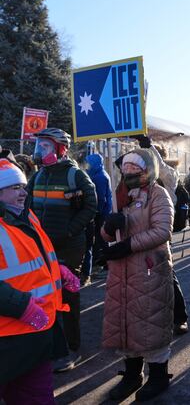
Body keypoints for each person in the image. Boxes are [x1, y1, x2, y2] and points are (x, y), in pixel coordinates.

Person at [0, 159, 79, 404]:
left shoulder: (26, 215)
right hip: (9, 338)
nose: (23, 192)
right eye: (15, 187)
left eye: (23, 186)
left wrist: (58, 270)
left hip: (36, 333)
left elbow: (35, 258)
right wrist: (21, 306)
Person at [100, 148, 175, 402]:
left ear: (148, 171)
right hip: (122, 271)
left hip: (148, 269)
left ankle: (158, 376)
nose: (130, 174)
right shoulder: (120, 194)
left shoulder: (158, 194)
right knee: (126, 322)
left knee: (150, 322)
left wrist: (128, 245)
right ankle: (132, 375)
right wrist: (108, 229)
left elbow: (162, 230)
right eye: (127, 170)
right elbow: (108, 234)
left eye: (136, 170)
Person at [25, 128, 97, 372]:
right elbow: (26, 206)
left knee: (67, 298)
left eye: (45, 146)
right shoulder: (38, 176)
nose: (39, 151)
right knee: (44, 295)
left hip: (69, 248)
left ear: (60, 149)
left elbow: (91, 206)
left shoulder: (75, 175)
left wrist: (69, 230)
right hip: (42, 248)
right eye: (39, 146)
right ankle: (51, 345)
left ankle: (71, 349)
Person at [81, 153, 113, 285]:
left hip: (101, 212)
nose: (87, 165)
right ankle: (102, 263)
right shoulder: (99, 173)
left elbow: (100, 198)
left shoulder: (99, 177)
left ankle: (105, 265)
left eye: (89, 163)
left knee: (101, 238)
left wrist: (96, 211)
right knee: (100, 238)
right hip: (102, 211)